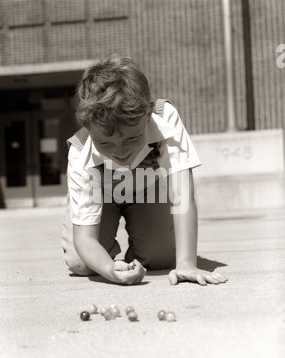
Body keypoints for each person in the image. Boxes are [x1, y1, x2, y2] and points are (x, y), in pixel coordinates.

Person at [61, 54, 228, 287]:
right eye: (106, 144)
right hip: (101, 195)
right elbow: (86, 239)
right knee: (82, 263)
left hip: (149, 189)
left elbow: (183, 196)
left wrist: (186, 264)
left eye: (131, 139)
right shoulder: (81, 150)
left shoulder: (164, 118)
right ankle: (111, 255)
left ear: (147, 115)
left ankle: (141, 250)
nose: (120, 152)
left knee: (161, 259)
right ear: (88, 128)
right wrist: (110, 270)